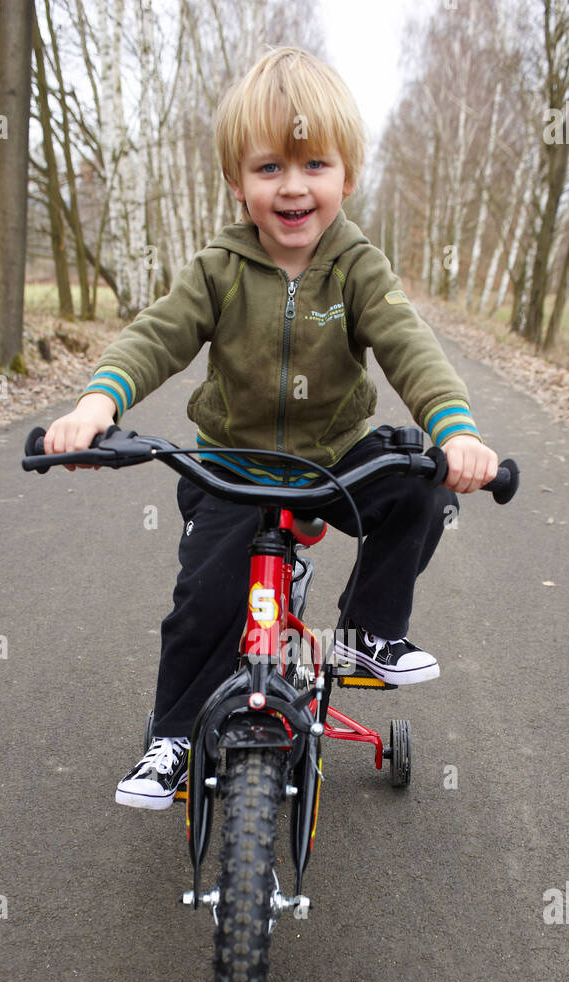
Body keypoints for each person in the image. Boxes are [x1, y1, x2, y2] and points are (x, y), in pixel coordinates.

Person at [43, 46, 499, 809]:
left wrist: (455, 431)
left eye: (313, 164)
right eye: (267, 169)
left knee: (419, 484)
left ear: (345, 176)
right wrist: (96, 408)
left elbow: (409, 349)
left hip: (332, 461)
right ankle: (174, 738)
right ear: (236, 181)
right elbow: (155, 336)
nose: (292, 186)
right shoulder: (217, 268)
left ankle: (365, 637)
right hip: (233, 465)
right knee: (203, 601)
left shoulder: (357, 268)